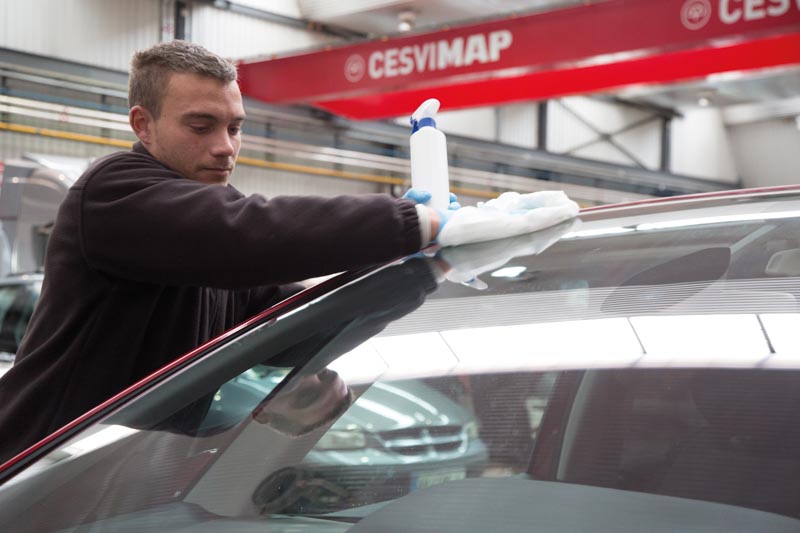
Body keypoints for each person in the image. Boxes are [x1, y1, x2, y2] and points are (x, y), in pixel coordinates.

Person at [0, 40, 449, 465]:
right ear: (143, 125)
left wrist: (420, 273)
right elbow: (249, 231)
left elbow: (293, 329)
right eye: (201, 126)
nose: (225, 147)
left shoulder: (210, 225)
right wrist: (410, 222)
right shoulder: (114, 193)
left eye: (235, 128)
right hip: (31, 467)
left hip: (107, 473)